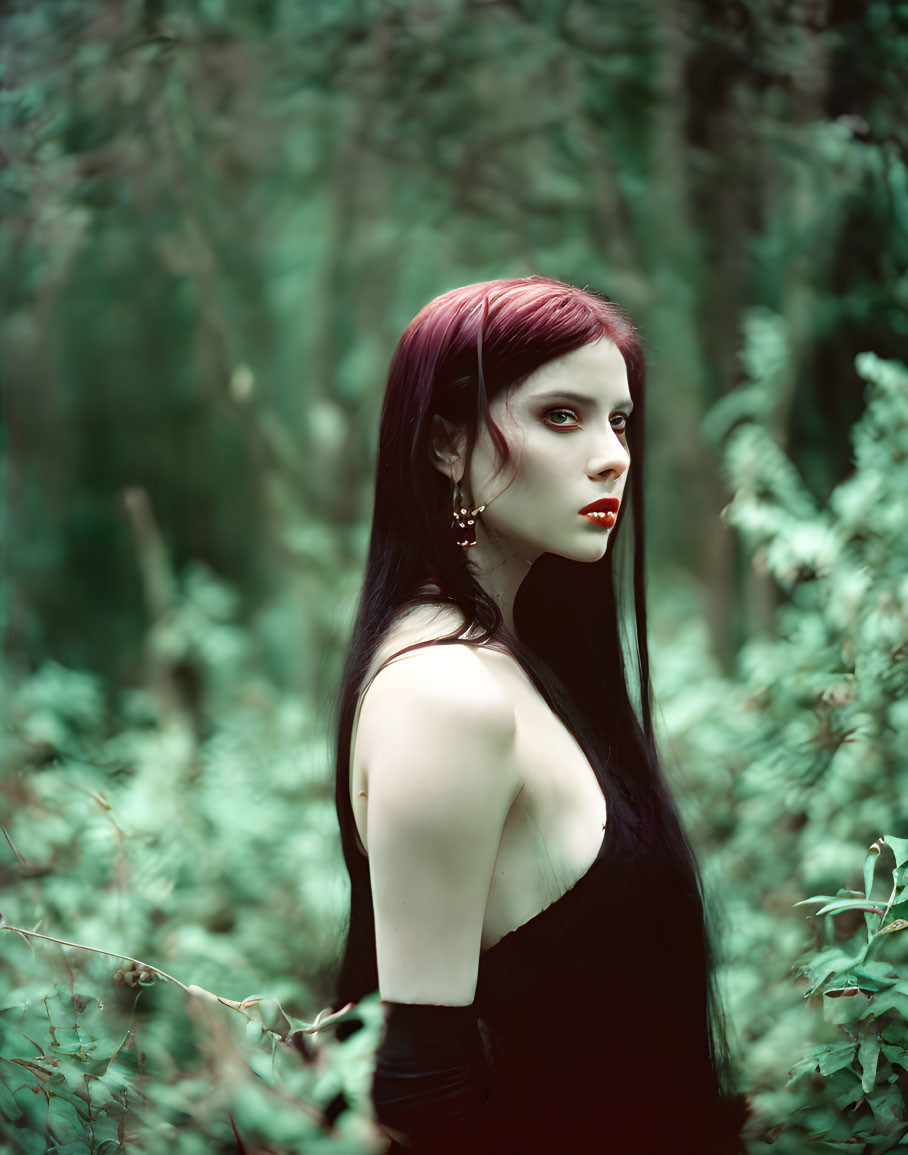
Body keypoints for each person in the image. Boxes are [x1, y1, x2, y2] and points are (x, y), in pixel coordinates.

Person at [333, 276, 746, 1154]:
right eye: (563, 416)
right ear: (446, 443)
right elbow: (418, 1087)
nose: (613, 457)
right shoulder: (447, 694)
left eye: (620, 421)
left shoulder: (515, 660)